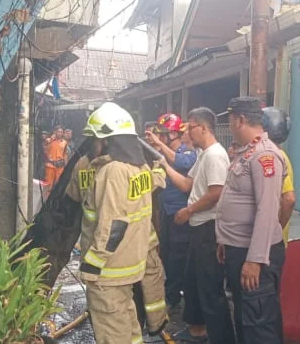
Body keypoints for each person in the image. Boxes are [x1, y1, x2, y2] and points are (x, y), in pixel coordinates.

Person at [77, 102, 156, 344]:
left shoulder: (113, 171)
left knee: (113, 332)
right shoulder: (140, 168)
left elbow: (114, 224)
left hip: (107, 271)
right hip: (129, 265)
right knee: (128, 327)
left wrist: (91, 266)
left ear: (108, 140)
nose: (94, 145)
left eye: (96, 139)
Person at [159, 107, 235, 343]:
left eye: (191, 127)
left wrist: (188, 210)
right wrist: (164, 164)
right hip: (197, 226)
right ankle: (197, 331)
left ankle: (220, 337)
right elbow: (186, 184)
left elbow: (216, 193)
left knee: (210, 287)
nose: (187, 133)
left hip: (208, 228)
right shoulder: (203, 154)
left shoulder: (215, 155)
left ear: (203, 128)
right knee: (193, 282)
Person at [216, 97, 286, 344]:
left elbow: (267, 210)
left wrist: (255, 260)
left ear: (241, 120)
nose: (230, 126)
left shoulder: (265, 156)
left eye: (231, 121)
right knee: (247, 319)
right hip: (239, 250)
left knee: (259, 322)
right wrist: (225, 240)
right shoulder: (247, 153)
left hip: (255, 255)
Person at [145, 113, 197, 309]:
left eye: (164, 134)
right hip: (165, 212)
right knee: (166, 253)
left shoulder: (188, 153)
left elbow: (182, 163)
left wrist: (160, 146)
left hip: (180, 213)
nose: (161, 138)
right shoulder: (161, 155)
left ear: (173, 135)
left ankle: (174, 296)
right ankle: (172, 292)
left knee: (178, 256)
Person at [262, 106, 296, 248]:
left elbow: (289, 199)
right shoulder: (278, 154)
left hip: (270, 244)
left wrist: (274, 232)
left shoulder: (276, 157)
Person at [44, 125, 68, 190]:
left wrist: (66, 166)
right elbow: (44, 150)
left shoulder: (64, 142)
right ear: (55, 132)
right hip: (50, 165)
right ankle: (46, 199)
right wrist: (51, 139)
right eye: (58, 131)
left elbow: (65, 154)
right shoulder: (48, 140)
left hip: (60, 166)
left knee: (59, 184)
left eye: (61, 132)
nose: (60, 133)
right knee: (48, 185)